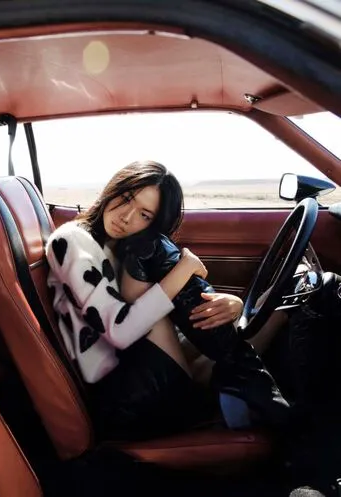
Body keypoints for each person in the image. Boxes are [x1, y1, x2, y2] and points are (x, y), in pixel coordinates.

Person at [45, 160, 289, 440]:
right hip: (118, 397)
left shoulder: (119, 248)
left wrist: (228, 305)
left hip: (138, 371)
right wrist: (185, 267)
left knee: (268, 313)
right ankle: (249, 391)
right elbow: (122, 332)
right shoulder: (71, 240)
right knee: (154, 257)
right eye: (126, 198)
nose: (126, 217)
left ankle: (249, 384)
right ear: (113, 189)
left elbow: (163, 320)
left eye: (144, 215)